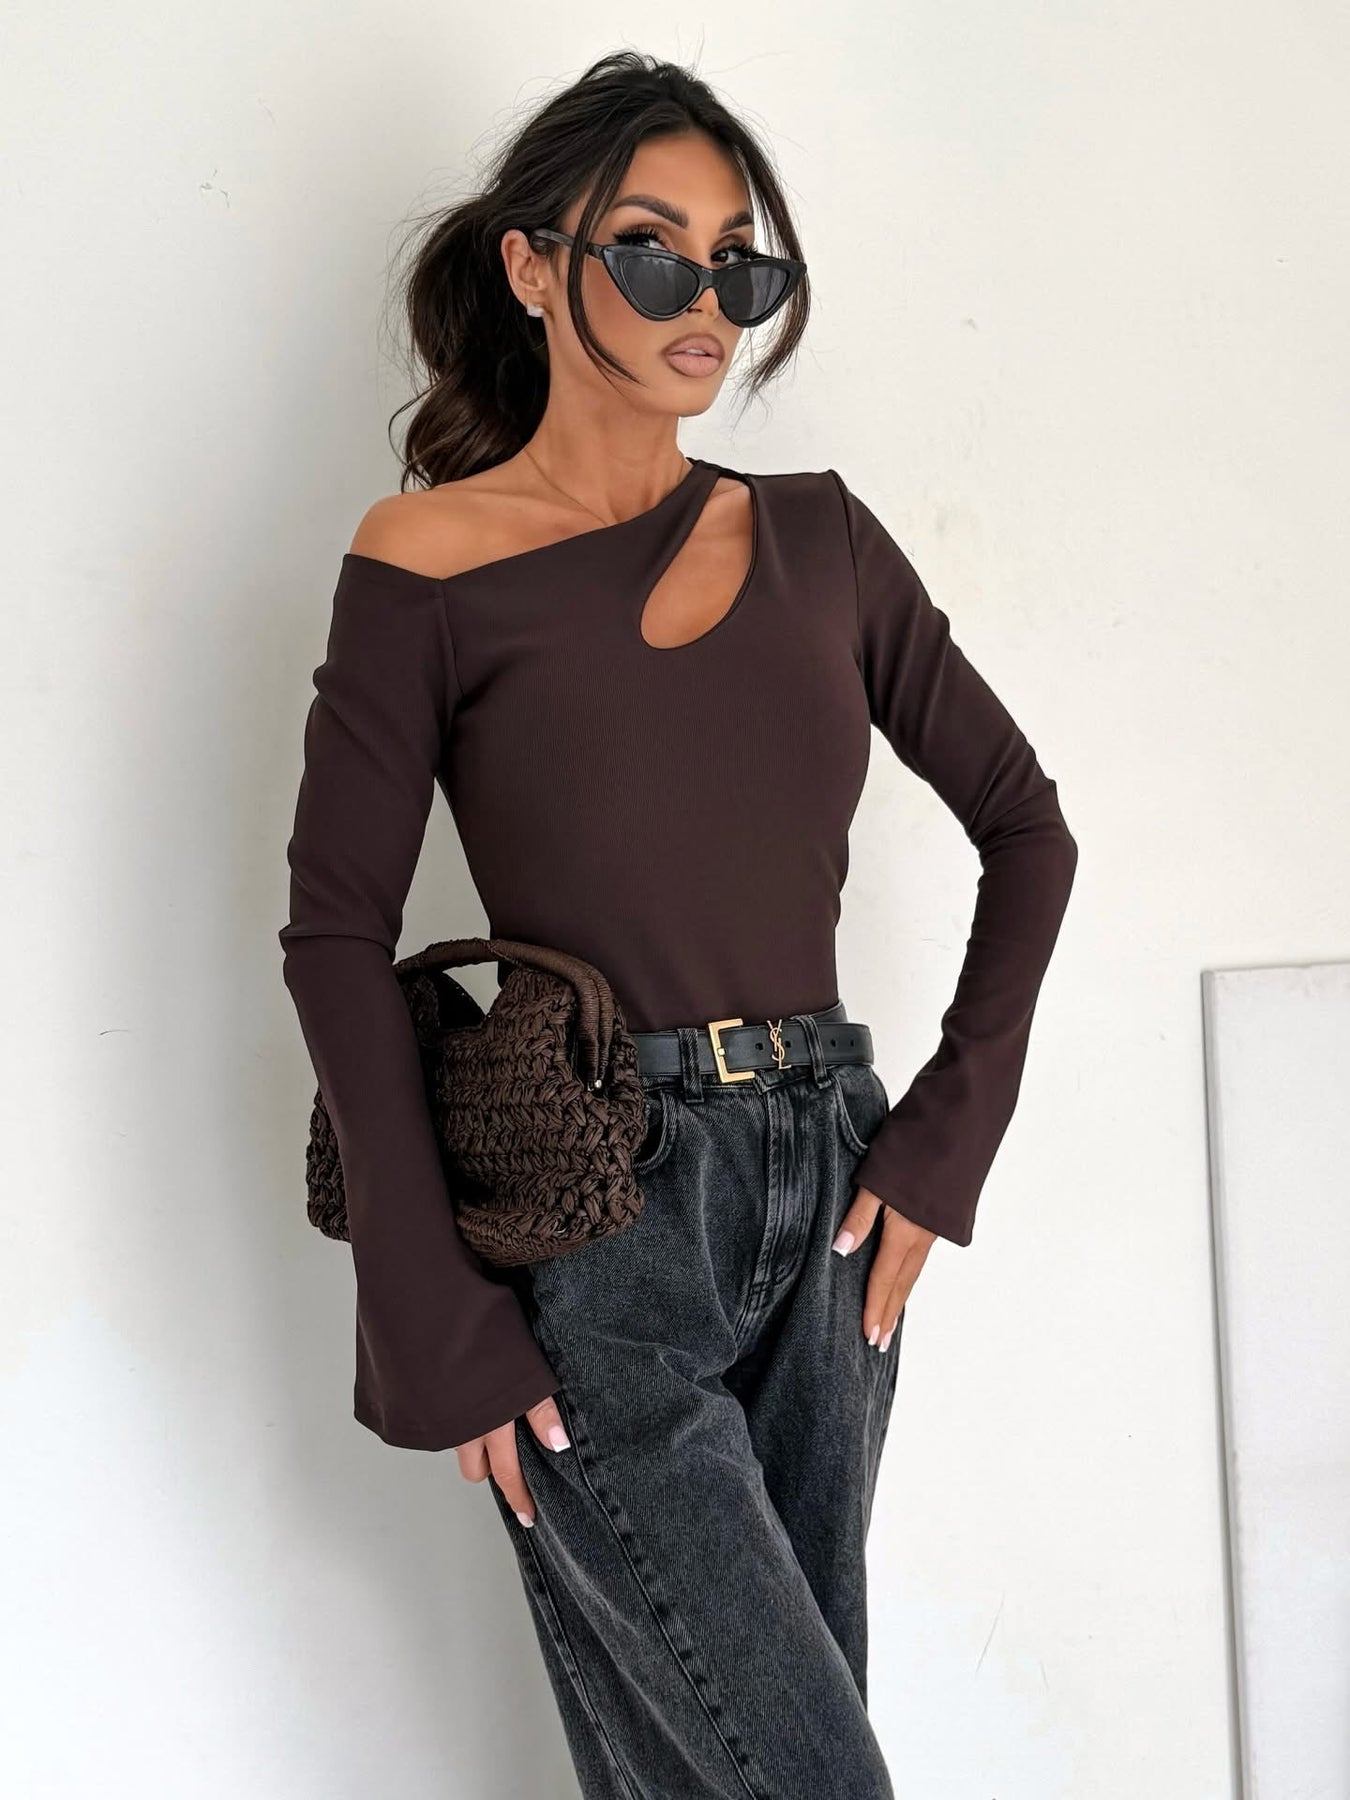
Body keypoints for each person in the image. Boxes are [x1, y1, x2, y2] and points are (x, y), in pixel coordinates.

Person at [277, 49, 1078, 1800]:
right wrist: (427, 1307)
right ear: (531, 266)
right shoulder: (425, 562)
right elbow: (332, 932)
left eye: (738, 263)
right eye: (649, 249)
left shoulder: (823, 542)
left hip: (835, 1190)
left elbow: (1028, 829)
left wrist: (943, 1142)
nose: (701, 299)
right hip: (600, 1207)